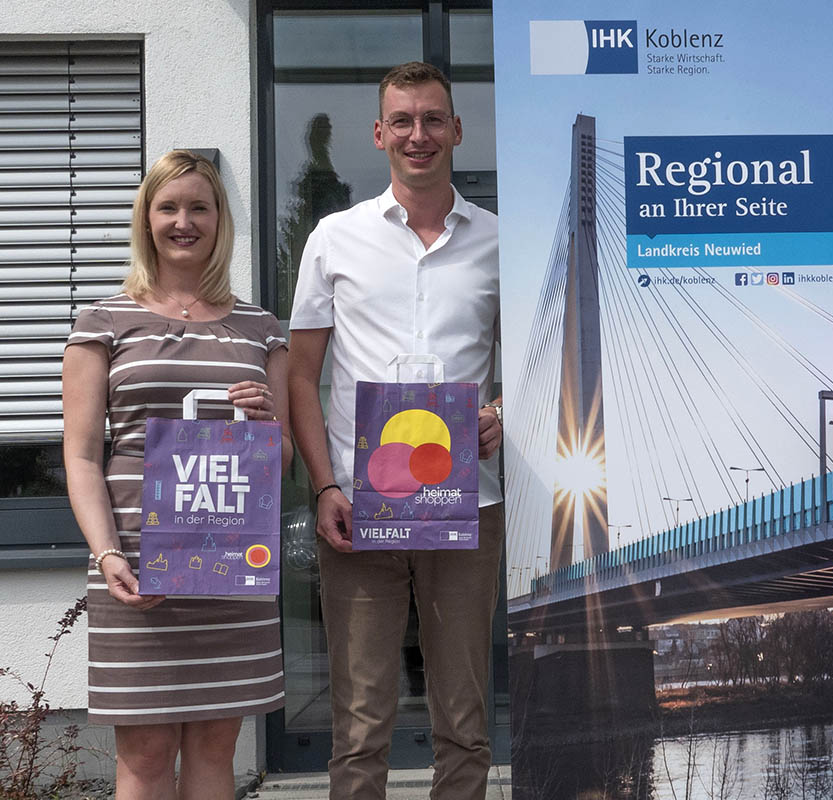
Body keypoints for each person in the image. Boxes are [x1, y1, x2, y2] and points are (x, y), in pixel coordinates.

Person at [287, 61, 503, 800]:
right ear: (380, 134)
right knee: (359, 724)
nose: (419, 135)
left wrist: (500, 415)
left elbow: (534, 369)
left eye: (433, 119)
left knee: (465, 718)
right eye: (403, 121)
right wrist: (322, 486)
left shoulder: (502, 242)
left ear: (458, 131)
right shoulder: (333, 239)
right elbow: (300, 377)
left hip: (467, 504)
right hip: (362, 509)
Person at [62, 149, 291, 800]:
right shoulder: (102, 322)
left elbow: (280, 462)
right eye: (169, 207)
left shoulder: (260, 329)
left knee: (216, 748)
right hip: (134, 564)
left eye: (199, 207)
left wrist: (264, 427)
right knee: (145, 752)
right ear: (147, 218)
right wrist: (108, 555)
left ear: (221, 221)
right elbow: (81, 456)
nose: (184, 221)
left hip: (229, 568)